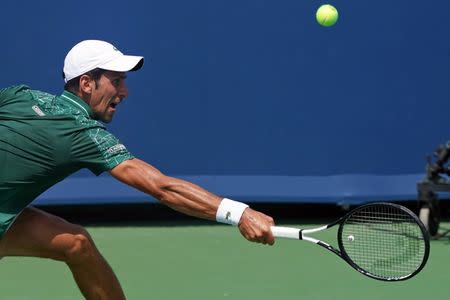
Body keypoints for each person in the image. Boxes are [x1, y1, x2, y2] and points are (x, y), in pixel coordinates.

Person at [0, 40, 275, 300]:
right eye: (116, 81)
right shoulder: (84, 135)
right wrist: (239, 213)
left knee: (76, 243)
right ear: (86, 84)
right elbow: (161, 187)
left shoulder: (21, 96)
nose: (124, 92)